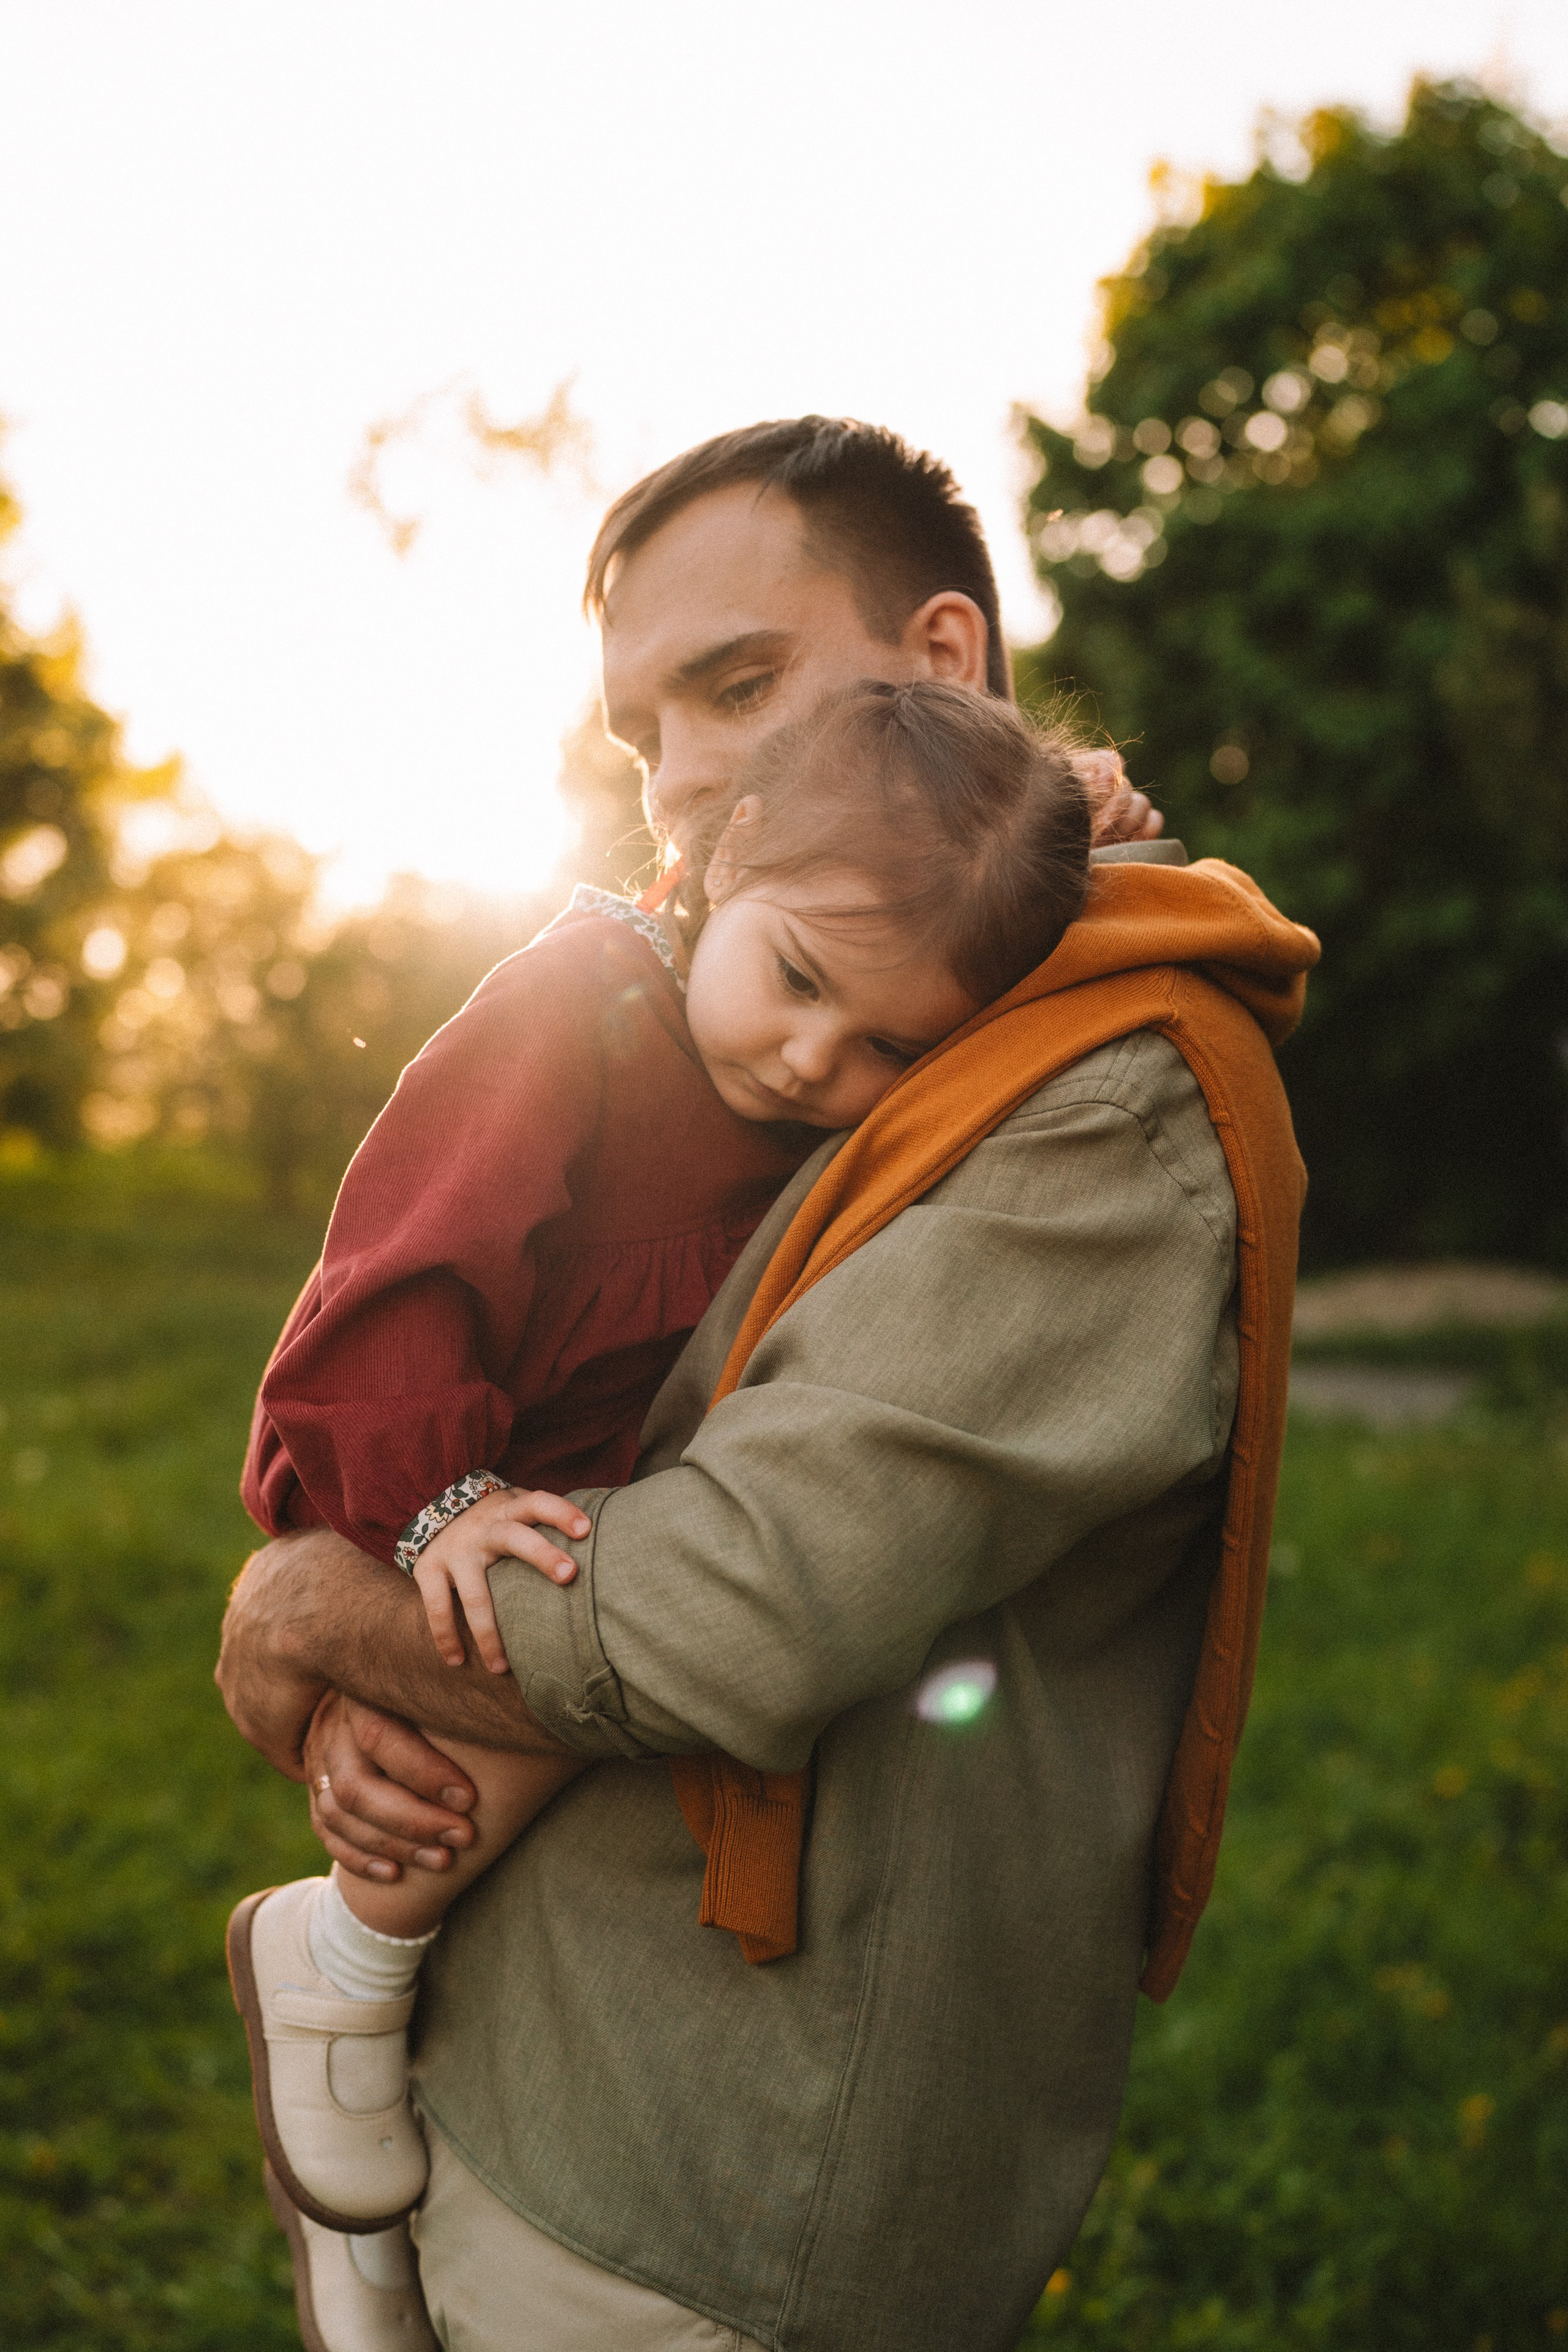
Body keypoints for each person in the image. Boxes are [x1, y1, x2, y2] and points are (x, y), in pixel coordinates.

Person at [217, 417, 1315, 2352]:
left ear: (949, 670)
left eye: (741, 686)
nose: (691, 779)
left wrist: (324, 1602)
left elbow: (720, 1614)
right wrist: (392, 1542)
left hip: (714, 2178)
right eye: (647, 736)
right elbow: (418, 1289)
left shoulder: (1090, 1077)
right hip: (565, 2045)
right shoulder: (714, 1005)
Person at [226, 677, 1092, 2253]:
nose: (811, 1055)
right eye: (800, 978)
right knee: (517, 1706)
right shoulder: (572, 1005)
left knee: (583, 1669)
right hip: (425, 1452)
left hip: (577, 1490)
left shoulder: (792, 1052)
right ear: (719, 854)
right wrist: (436, 1504)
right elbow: (405, 1267)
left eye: (884, 1043)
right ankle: (344, 1962)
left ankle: (371, 2220)